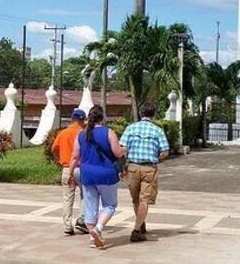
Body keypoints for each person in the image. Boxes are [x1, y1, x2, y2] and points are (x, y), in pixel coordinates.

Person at [67, 105, 128, 249]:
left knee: (90, 208)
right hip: (107, 175)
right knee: (110, 205)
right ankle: (98, 229)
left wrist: (70, 174)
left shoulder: (81, 134)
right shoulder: (109, 132)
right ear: (103, 118)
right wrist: (125, 149)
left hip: (87, 175)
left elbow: (75, 156)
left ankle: (92, 240)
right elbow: (117, 153)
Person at [120, 105, 170, 243]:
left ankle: (140, 223)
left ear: (141, 114)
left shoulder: (130, 128)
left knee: (135, 199)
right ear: (153, 114)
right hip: (149, 168)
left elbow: (123, 148)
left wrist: (121, 167)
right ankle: (137, 229)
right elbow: (165, 151)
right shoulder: (157, 130)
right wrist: (159, 156)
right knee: (144, 200)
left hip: (133, 167)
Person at [52, 109, 90, 236]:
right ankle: (82, 220)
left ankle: (67, 226)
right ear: (83, 120)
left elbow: (54, 148)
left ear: (71, 119)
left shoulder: (63, 133)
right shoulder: (84, 133)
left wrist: (61, 159)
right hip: (82, 168)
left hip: (67, 168)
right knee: (86, 194)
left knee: (67, 198)